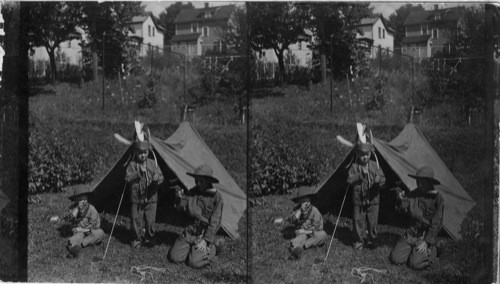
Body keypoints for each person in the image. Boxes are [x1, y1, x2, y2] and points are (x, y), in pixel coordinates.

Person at [169, 164, 224, 269]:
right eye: (196, 180)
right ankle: (192, 249)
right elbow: (181, 207)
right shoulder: (193, 192)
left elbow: (215, 222)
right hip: (189, 232)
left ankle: (213, 248)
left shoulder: (217, 197)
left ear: (209, 181)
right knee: (175, 257)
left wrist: (206, 240)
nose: (198, 183)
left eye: (201, 181)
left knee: (194, 263)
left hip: (202, 236)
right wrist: (179, 198)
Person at [390, 166, 445, 270]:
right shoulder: (415, 193)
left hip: (423, 237)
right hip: (411, 233)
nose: (419, 185)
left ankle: (435, 250)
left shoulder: (438, 199)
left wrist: (427, 241)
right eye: (417, 181)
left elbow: (436, 223)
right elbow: (403, 208)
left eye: (423, 182)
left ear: (430, 182)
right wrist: (400, 199)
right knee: (395, 259)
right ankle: (412, 251)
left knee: (414, 264)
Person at [125, 140, 164, 248]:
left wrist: (156, 179)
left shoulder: (153, 163)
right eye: (140, 152)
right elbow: (127, 179)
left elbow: (161, 177)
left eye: (145, 152)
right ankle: (137, 238)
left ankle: (150, 237)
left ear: (148, 152)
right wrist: (138, 173)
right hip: (136, 198)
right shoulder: (132, 164)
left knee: (150, 220)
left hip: (151, 198)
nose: (142, 155)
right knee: (136, 219)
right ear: (135, 152)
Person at [347, 141, 386, 250]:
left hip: (373, 199)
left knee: (372, 221)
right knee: (358, 220)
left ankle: (372, 240)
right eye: (362, 154)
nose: (364, 157)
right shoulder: (354, 166)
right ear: (357, 154)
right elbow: (349, 180)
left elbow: (383, 179)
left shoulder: (375, 165)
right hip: (358, 199)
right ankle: (359, 240)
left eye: (367, 154)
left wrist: (379, 181)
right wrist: (360, 175)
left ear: (371, 154)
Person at [286, 186, 327, 259]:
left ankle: (302, 247)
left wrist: (306, 232)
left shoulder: (315, 211)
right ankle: (294, 248)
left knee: (323, 235)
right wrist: (299, 211)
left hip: (312, 233)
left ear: (310, 200)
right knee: (300, 238)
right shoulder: (297, 209)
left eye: (307, 201)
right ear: (299, 202)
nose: (306, 204)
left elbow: (318, 228)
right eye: (303, 201)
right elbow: (290, 221)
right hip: (301, 233)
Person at [65, 185, 105, 258]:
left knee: (100, 233)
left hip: (90, 231)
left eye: (85, 199)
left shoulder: (92, 209)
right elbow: (68, 220)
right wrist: (76, 210)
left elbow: (94, 225)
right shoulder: (74, 208)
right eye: (80, 199)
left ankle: (81, 245)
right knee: (77, 236)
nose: (83, 202)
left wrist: (83, 230)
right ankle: (72, 248)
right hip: (79, 231)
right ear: (76, 200)